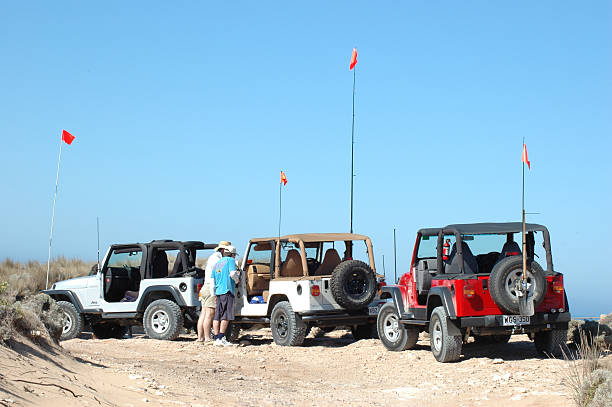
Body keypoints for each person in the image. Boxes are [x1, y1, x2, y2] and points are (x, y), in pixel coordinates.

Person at [196, 240, 231, 343]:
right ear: (224, 249)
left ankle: (200, 337)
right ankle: (207, 338)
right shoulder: (217, 259)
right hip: (211, 287)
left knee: (204, 313)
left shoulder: (213, 257)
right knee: (210, 314)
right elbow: (217, 274)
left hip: (205, 286)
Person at [211, 245, 240, 346]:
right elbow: (232, 274)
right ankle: (221, 337)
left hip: (218, 292)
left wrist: (214, 294)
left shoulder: (217, 263)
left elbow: (213, 280)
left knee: (217, 316)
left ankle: (216, 339)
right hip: (227, 291)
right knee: (226, 316)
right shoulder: (230, 261)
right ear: (232, 254)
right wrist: (237, 280)